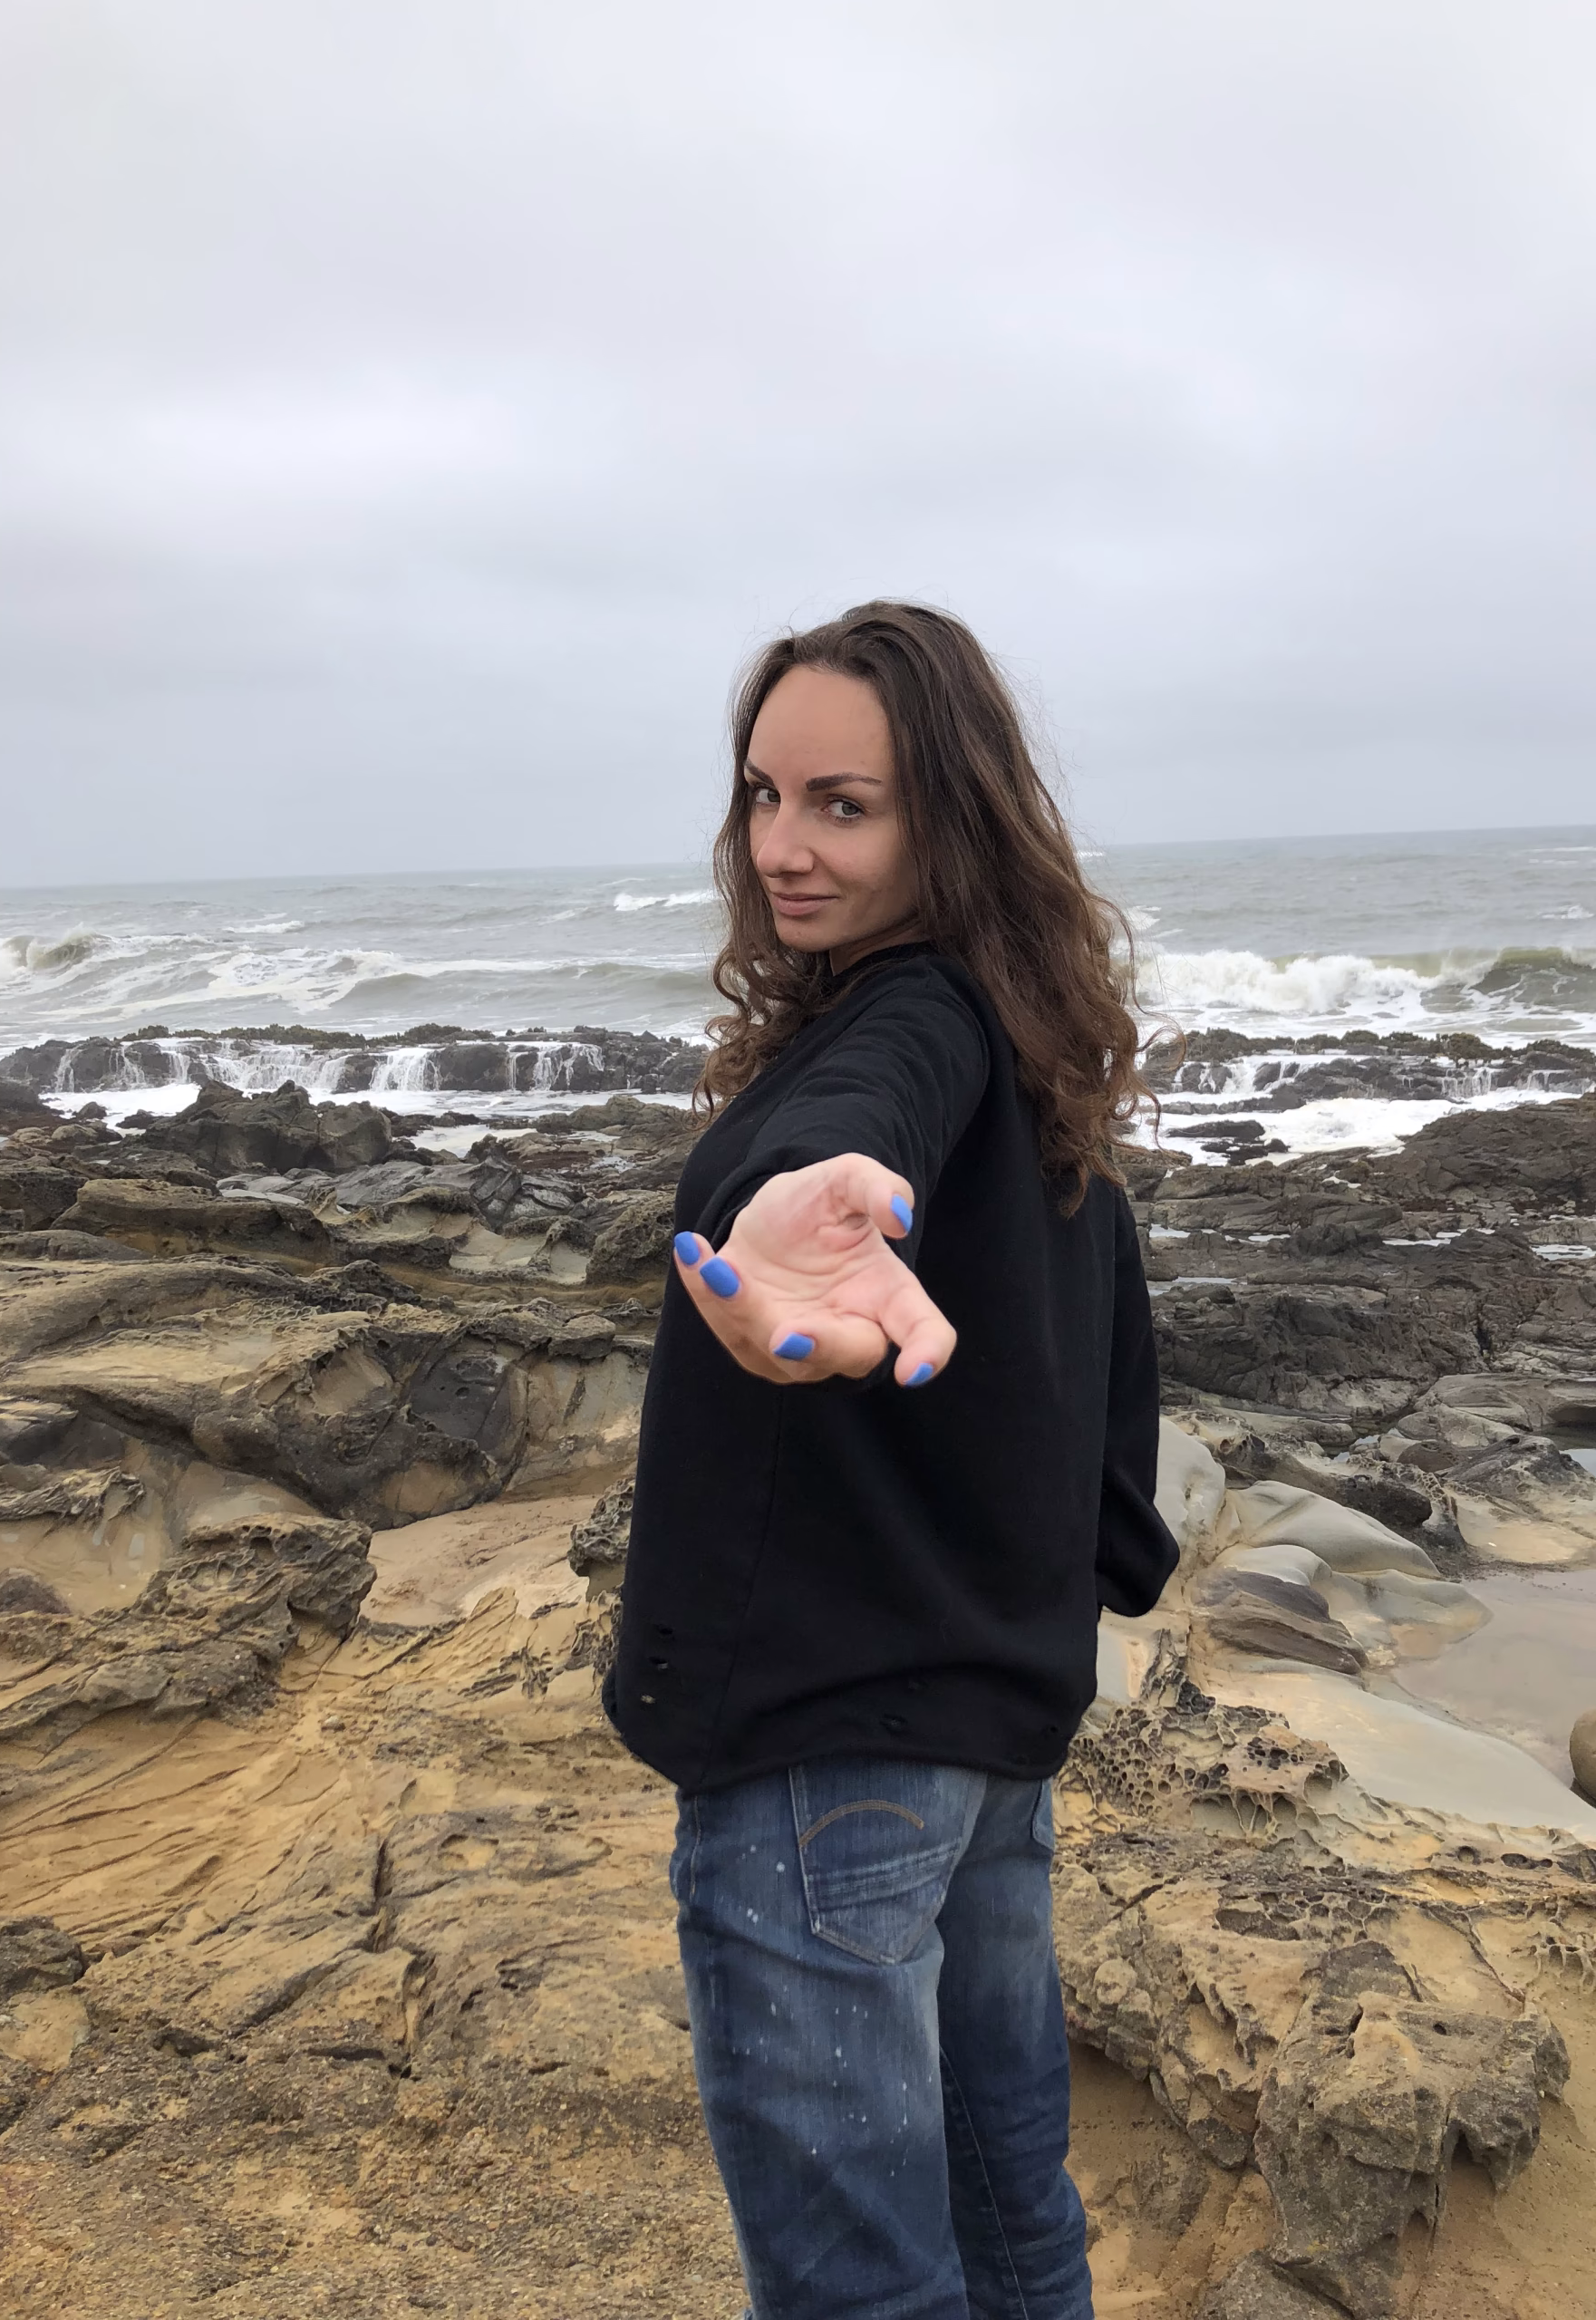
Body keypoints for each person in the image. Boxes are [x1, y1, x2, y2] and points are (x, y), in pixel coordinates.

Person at [604, 601, 1177, 2320]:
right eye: (764, 795)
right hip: (989, 1744)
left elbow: (846, 1122)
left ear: (952, 816)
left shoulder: (910, 1025)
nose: (782, 846)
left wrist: (803, 1189)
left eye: (842, 805)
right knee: (1014, 2227)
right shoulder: (1029, 1043)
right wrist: (1092, 1572)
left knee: (868, 2287)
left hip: (826, 1759)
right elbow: (1106, 1378)